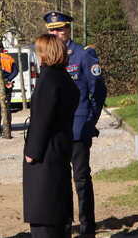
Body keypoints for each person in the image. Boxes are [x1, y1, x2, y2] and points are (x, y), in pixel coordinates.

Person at [44, 11, 107, 237]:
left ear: (69, 29)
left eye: (60, 29)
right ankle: (65, 225)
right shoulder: (48, 57)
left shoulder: (83, 55)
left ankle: (87, 228)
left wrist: (90, 122)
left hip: (78, 129)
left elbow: (98, 92)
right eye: (52, 30)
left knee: (80, 179)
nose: (56, 34)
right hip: (57, 130)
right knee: (59, 180)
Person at [23, 34, 81, 238]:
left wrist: (32, 151)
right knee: (57, 206)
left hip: (46, 152)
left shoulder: (48, 78)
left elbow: (42, 119)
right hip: (60, 146)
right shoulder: (63, 77)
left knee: (44, 211)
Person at [0, 48, 18, 137]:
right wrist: (8, 79)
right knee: (7, 106)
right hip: (7, 84)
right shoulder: (9, 58)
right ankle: (8, 128)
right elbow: (16, 71)